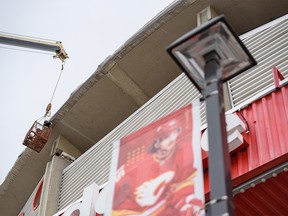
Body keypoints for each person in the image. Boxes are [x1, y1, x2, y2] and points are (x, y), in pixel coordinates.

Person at [112, 119, 203, 216]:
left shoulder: (180, 155)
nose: (171, 141)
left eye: (174, 135)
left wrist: (191, 205)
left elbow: (182, 189)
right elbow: (116, 199)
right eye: (167, 137)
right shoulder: (136, 166)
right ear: (157, 142)